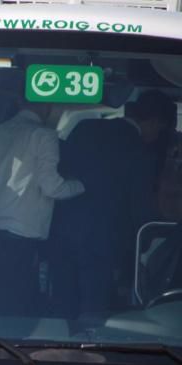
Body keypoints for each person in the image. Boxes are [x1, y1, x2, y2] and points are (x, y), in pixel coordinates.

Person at [0, 97, 84, 316]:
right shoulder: (44, 135)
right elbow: (52, 187)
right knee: (15, 315)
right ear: (46, 106)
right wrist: (82, 186)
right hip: (17, 245)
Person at [51, 90, 175, 315]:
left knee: (61, 303)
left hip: (62, 231)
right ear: (155, 122)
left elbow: (60, 169)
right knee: (94, 306)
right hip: (103, 241)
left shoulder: (84, 128)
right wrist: (146, 242)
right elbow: (140, 207)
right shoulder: (140, 153)